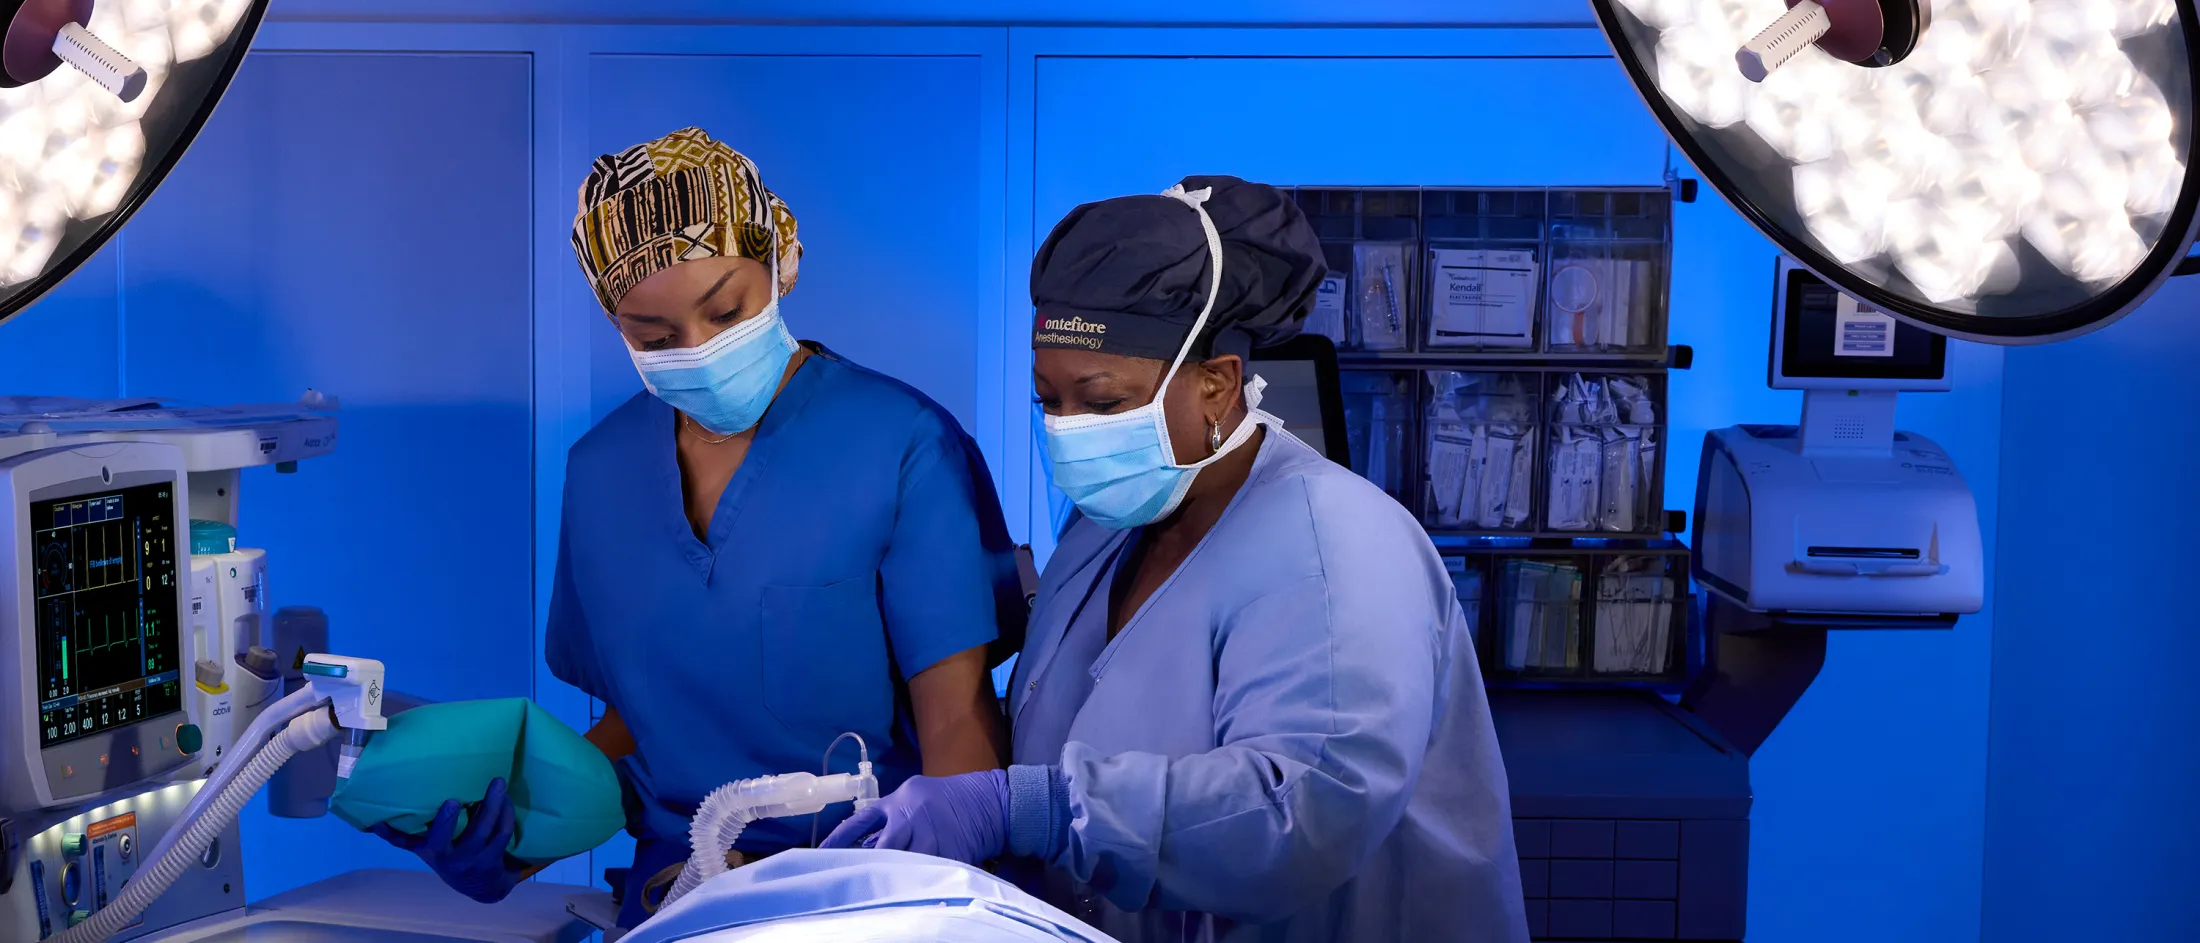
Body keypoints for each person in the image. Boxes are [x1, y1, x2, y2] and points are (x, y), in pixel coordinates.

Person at [821, 177, 1530, 941]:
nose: (1068, 430)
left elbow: (1302, 813)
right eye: (1047, 400)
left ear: (1217, 385)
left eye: (1102, 402)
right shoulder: (1102, 529)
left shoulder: (1337, 547)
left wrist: (1030, 809)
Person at [375, 127, 1023, 932]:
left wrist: (946, 907)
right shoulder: (603, 470)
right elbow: (640, 727)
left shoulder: (902, 445)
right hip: (676, 899)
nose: (699, 350)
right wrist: (513, 842)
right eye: (653, 337)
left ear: (780, 258)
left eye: (726, 310)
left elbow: (958, 720)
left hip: (863, 895)